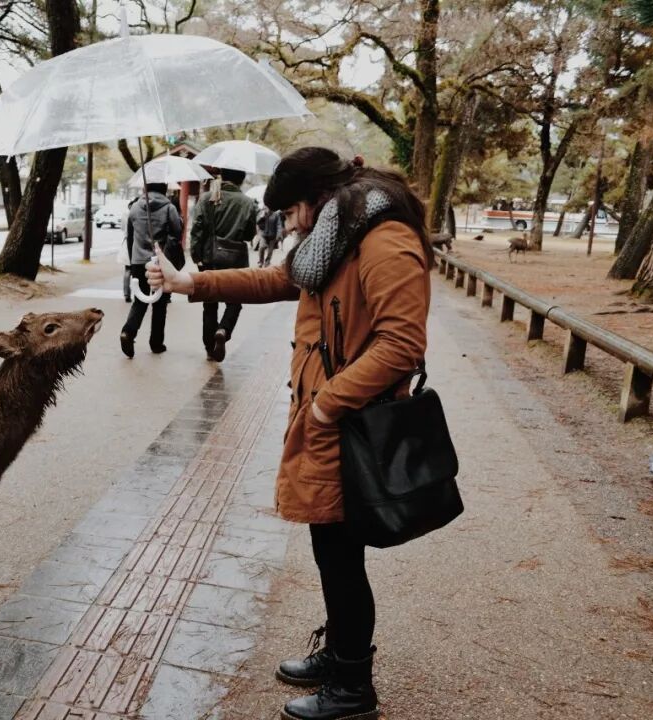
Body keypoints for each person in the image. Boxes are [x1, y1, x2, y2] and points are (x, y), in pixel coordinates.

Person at [148, 147, 432, 720]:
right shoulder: (338, 235)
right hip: (328, 419)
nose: (292, 223)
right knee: (331, 549)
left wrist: (328, 404)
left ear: (317, 200)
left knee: (342, 554)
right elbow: (278, 278)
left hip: (352, 422)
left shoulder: (384, 239)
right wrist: (190, 283)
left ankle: (353, 686)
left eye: (294, 211)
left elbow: (403, 344)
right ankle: (340, 653)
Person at [189, 168, 258, 361]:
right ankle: (224, 330)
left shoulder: (208, 198)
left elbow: (197, 230)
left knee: (209, 303)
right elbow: (249, 234)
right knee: (235, 300)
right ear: (242, 180)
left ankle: (210, 346)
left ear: (222, 176)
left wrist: (197, 256)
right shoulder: (247, 202)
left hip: (210, 257)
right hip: (236, 259)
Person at [119, 183, 183, 357]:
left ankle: (128, 332)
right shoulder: (169, 208)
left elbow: (130, 237)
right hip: (160, 261)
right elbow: (177, 233)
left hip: (138, 261)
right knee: (160, 304)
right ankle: (156, 343)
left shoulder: (135, 208)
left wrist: (133, 262)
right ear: (164, 190)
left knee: (140, 301)